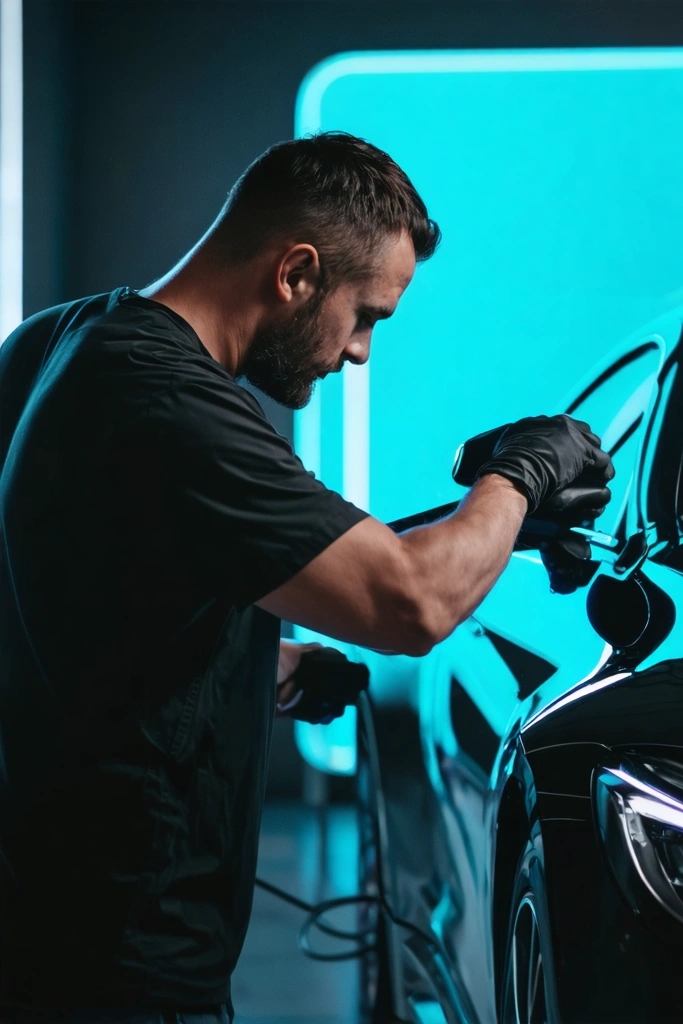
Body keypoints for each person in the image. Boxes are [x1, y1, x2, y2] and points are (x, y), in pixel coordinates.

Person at [0, 132, 612, 1022]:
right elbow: (412, 601)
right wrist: (518, 477)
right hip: (123, 965)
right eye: (366, 314)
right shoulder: (171, 405)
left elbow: (62, 595)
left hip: (39, 932)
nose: (360, 352)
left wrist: (265, 666)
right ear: (296, 274)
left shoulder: (53, 342)